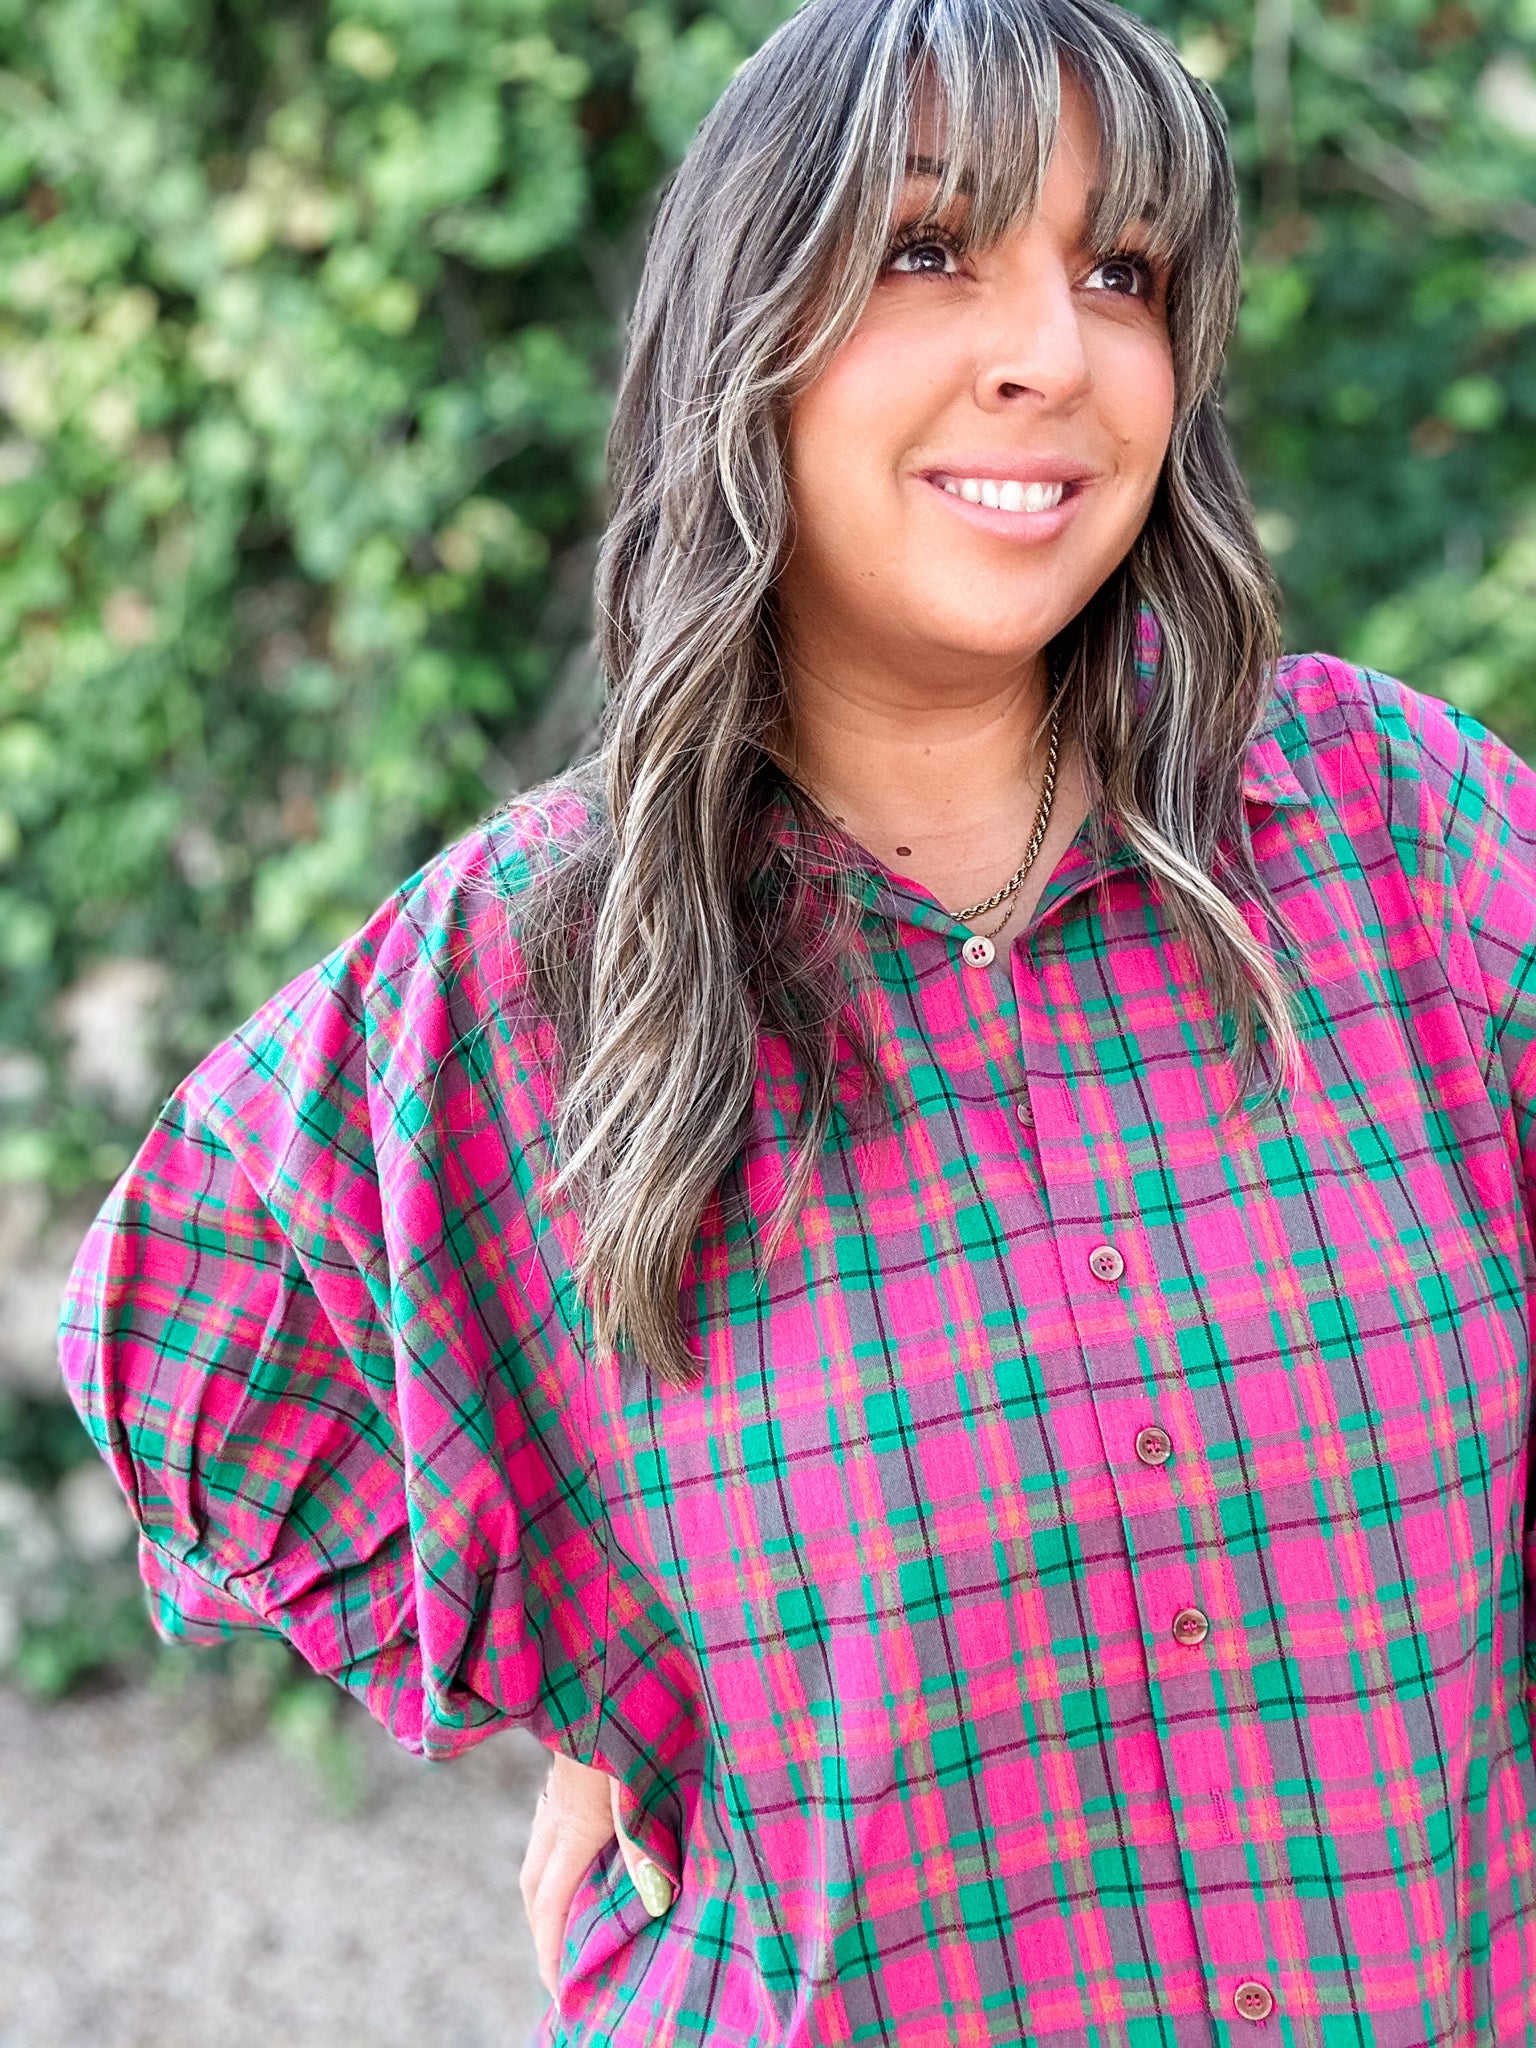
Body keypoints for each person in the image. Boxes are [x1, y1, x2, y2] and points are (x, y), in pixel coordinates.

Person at [56, 0, 1536, 2037]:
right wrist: (606, 1651)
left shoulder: (1400, 835)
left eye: (1123, 273)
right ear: (748, 324)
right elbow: (182, 1348)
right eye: (937, 248)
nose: (1053, 351)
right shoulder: (527, 967)